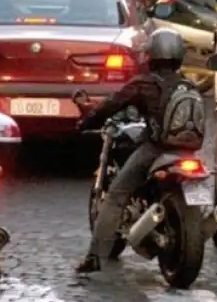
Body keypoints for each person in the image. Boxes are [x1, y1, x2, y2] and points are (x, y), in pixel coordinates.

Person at [74, 28, 188, 273]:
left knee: (115, 195)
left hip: (155, 150)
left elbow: (112, 104)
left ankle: (94, 257)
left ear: (151, 54)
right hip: (188, 154)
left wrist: (87, 121)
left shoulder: (144, 84)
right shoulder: (187, 85)